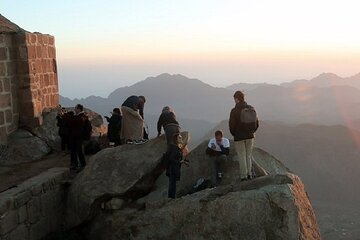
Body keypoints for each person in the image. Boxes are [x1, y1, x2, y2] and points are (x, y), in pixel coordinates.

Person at [229, 90, 259, 181]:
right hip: (250, 136)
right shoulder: (251, 108)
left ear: (237, 99)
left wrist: (234, 134)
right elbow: (257, 123)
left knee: (241, 155)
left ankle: (244, 176)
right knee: (248, 155)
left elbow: (231, 125)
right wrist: (252, 132)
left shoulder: (234, 111)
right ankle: (249, 174)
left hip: (239, 137)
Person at [59, 104, 88, 170]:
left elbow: (73, 120)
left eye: (75, 108)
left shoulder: (82, 117)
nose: (74, 109)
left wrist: (64, 115)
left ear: (79, 109)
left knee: (79, 151)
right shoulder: (79, 116)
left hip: (78, 136)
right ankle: (75, 164)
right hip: (74, 136)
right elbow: (71, 121)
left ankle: (82, 165)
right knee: (73, 151)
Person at [166, 133, 187, 199]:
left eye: (181, 137)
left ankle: (171, 198)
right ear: (176, 139)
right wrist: (180, 162)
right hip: (172, 169)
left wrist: (183, 161)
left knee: (173, 184)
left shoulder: (177, 147)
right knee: (172, 184)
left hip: (175, 168)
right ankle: (170, 199)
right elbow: (171, 159)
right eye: (179, 138)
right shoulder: (174, 148)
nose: (181, 139)